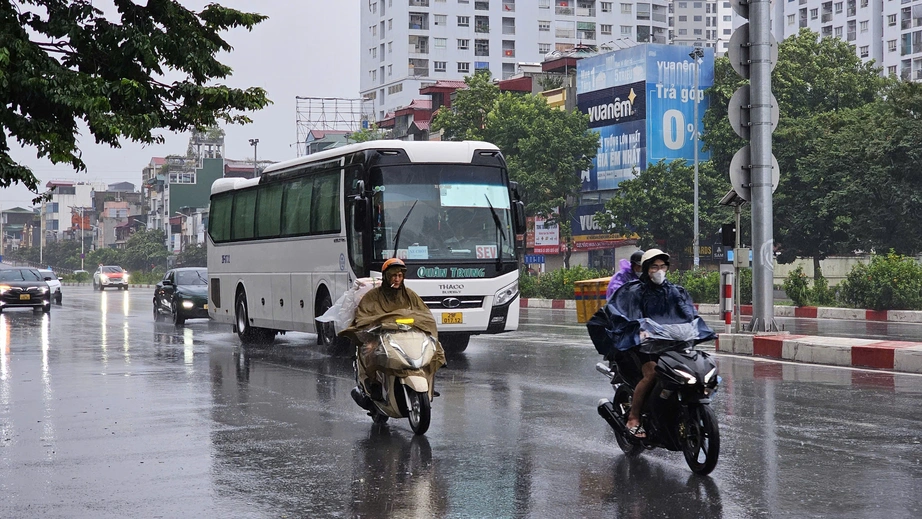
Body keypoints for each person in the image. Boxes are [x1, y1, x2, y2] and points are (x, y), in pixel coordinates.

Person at [587, 248, 714, 439]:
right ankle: (634, 417)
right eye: (654, 267)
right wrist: (639, 329)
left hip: (671, 343)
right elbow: (625, 314)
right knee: (652, 373)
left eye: (663, 266)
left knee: (694, 368)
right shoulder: (632, 291)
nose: (659, 270)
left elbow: (688, 314)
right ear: (646, 269)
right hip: (644, 344)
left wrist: (693, 325)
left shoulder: (675, 291)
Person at [341, 258, 445, 407]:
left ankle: (427, 381)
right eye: (393, 276)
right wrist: (379, 323)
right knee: (369, 350)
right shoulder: (373, 296)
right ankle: (373, 383)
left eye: (400, 276)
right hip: (381, 335)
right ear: (386, 276)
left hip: (408, 335)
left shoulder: (410, 295)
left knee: (434, 348)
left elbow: (424, 314)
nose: (397, 279)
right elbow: (363, 317)